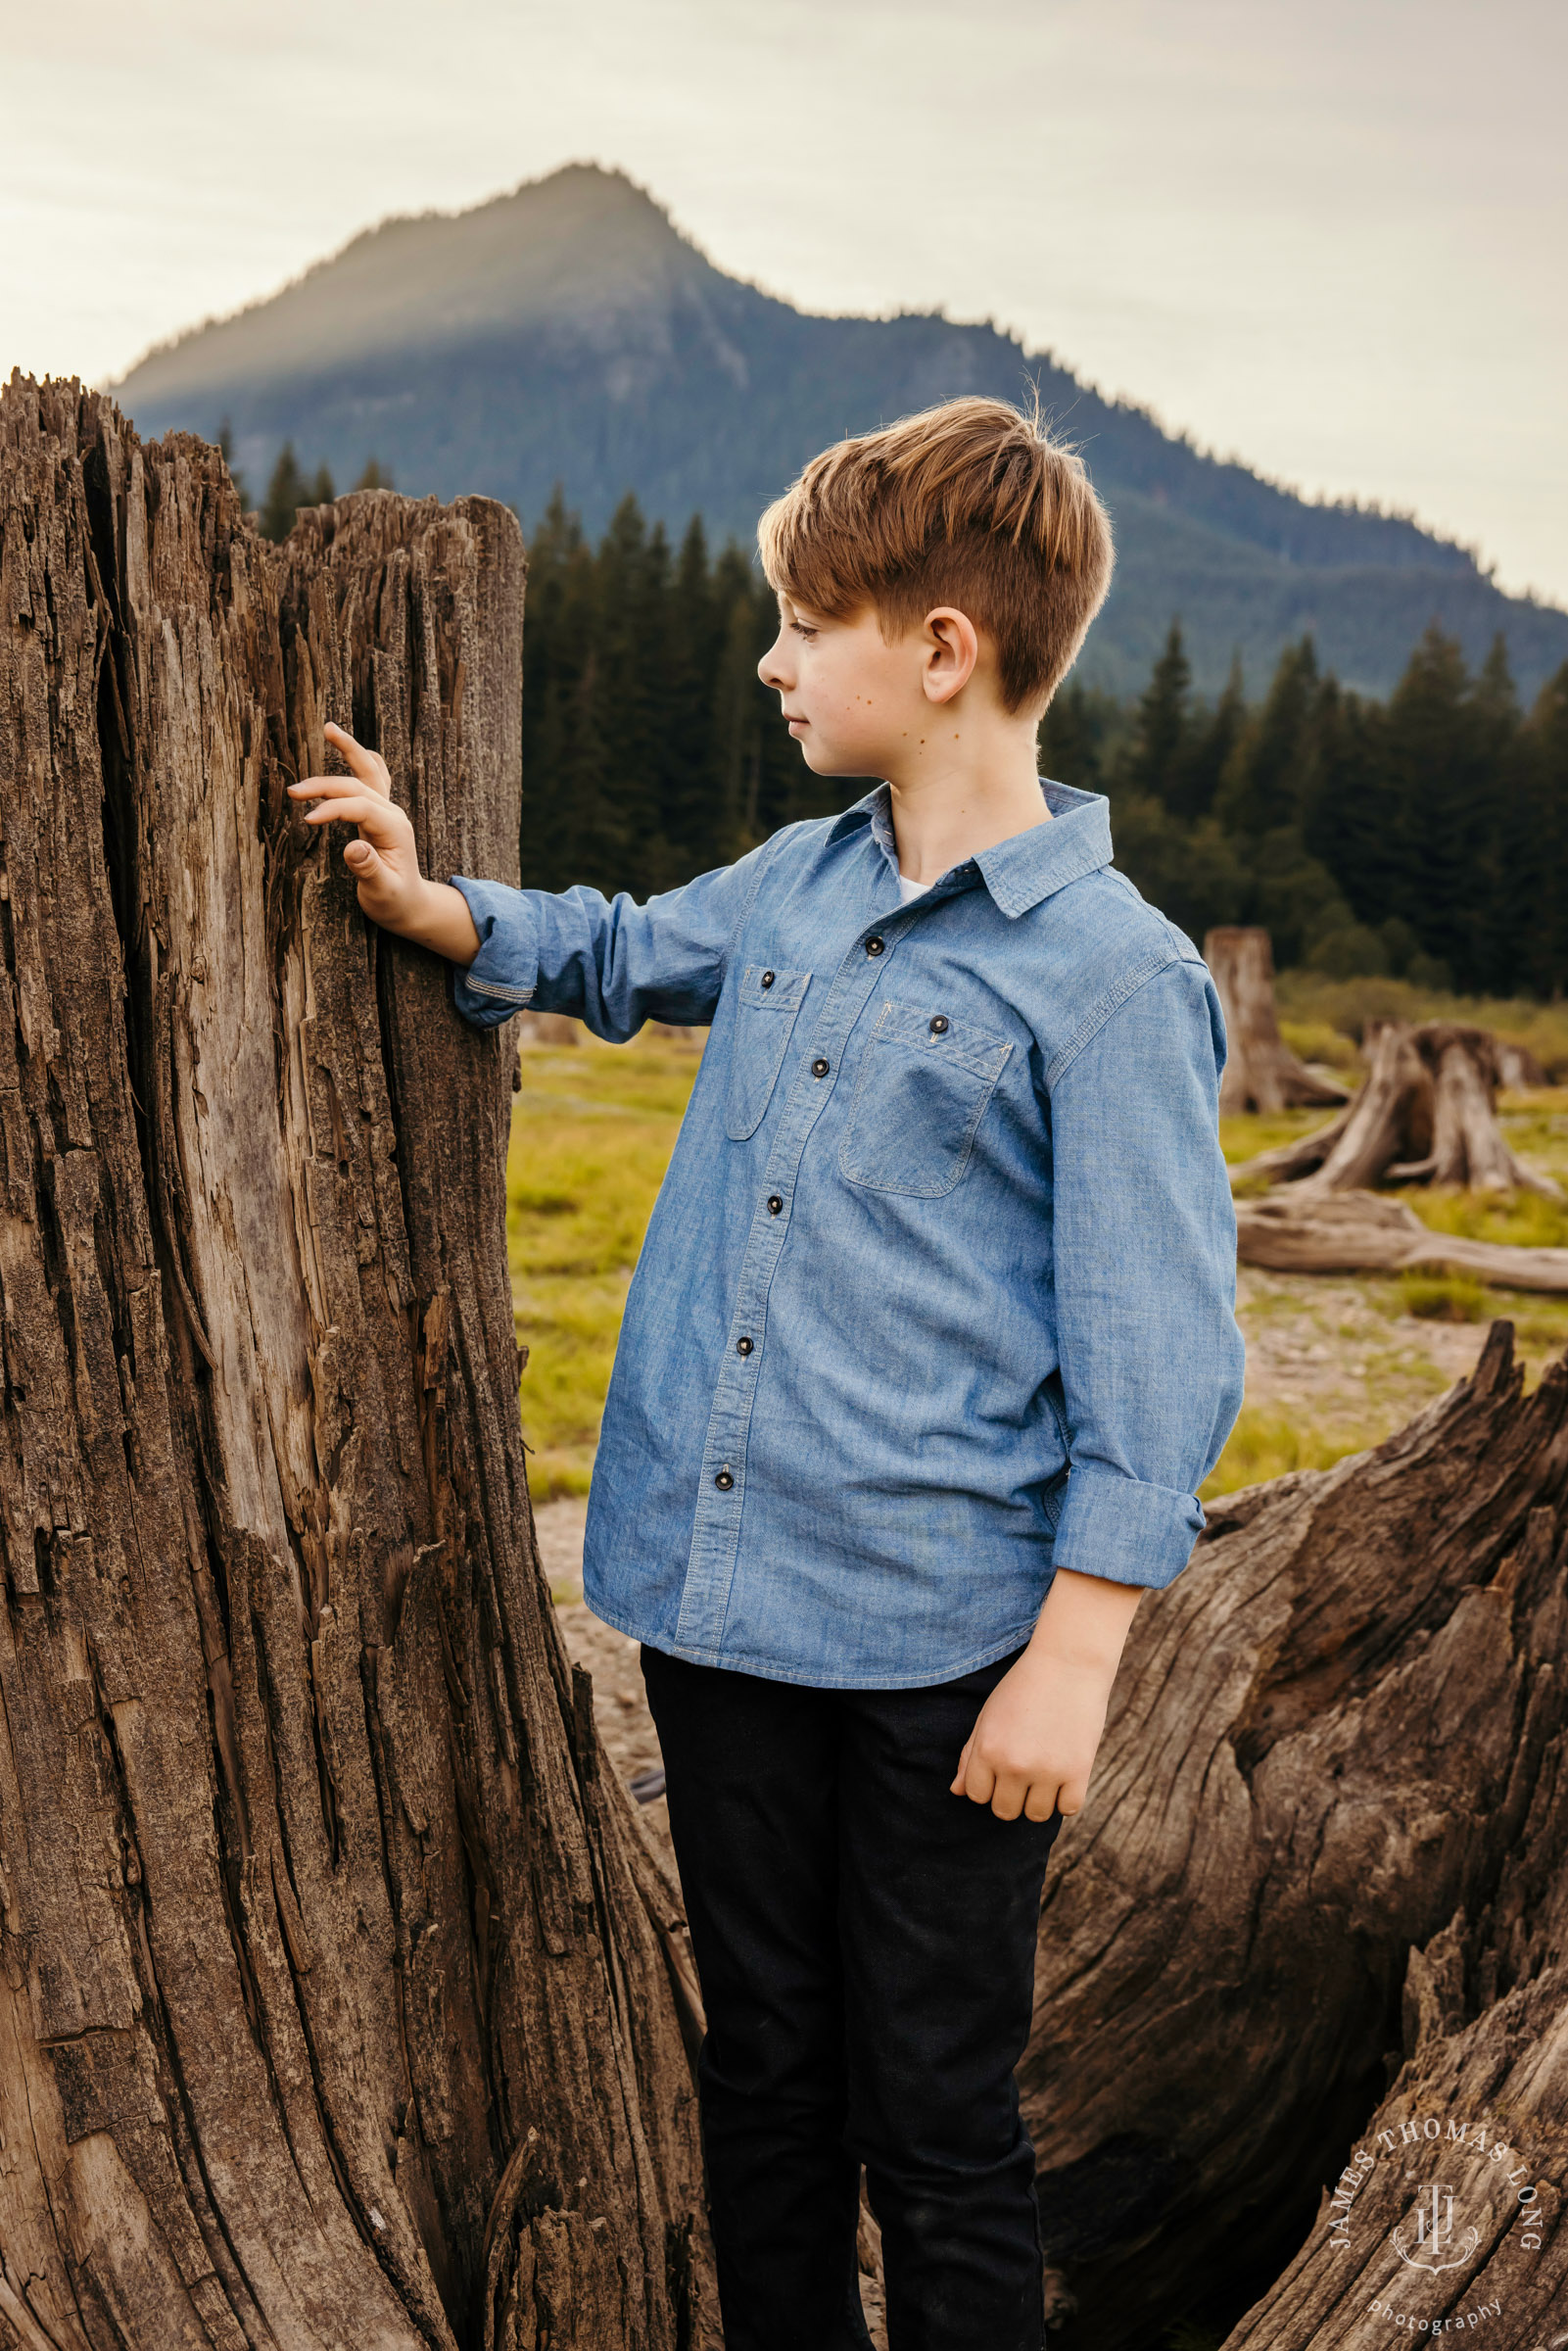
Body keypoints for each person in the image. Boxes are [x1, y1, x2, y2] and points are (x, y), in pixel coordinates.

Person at [290, 395, 1245, 2351]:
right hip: (722, 1616)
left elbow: (1162, 1349)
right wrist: (434, 901)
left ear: (944, 650)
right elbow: (628, 949)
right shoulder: (806, 882)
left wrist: (1073, 1656)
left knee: (940, 2115)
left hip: (945, 1660)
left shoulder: (1115, 977)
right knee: (770, 2084)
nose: (774, 658)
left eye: (809, 627)